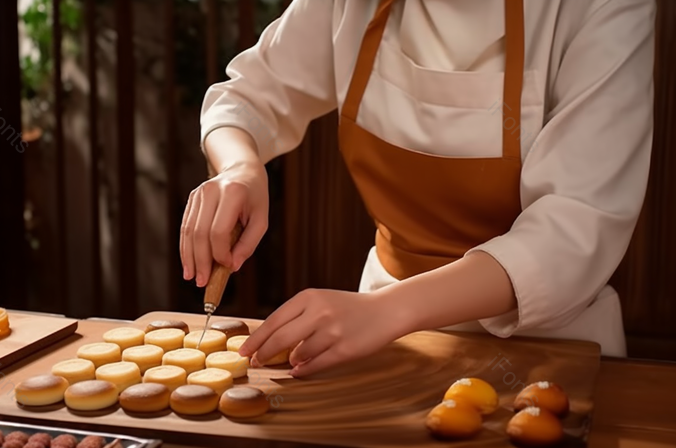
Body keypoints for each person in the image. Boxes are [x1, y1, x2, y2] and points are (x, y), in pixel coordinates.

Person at [180, 0, 656, 377]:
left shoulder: (602, 7)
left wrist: (390, 310)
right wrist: (239, 167)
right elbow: (247, 96)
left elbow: (574, 230)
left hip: (549, 350)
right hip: (376, 340)